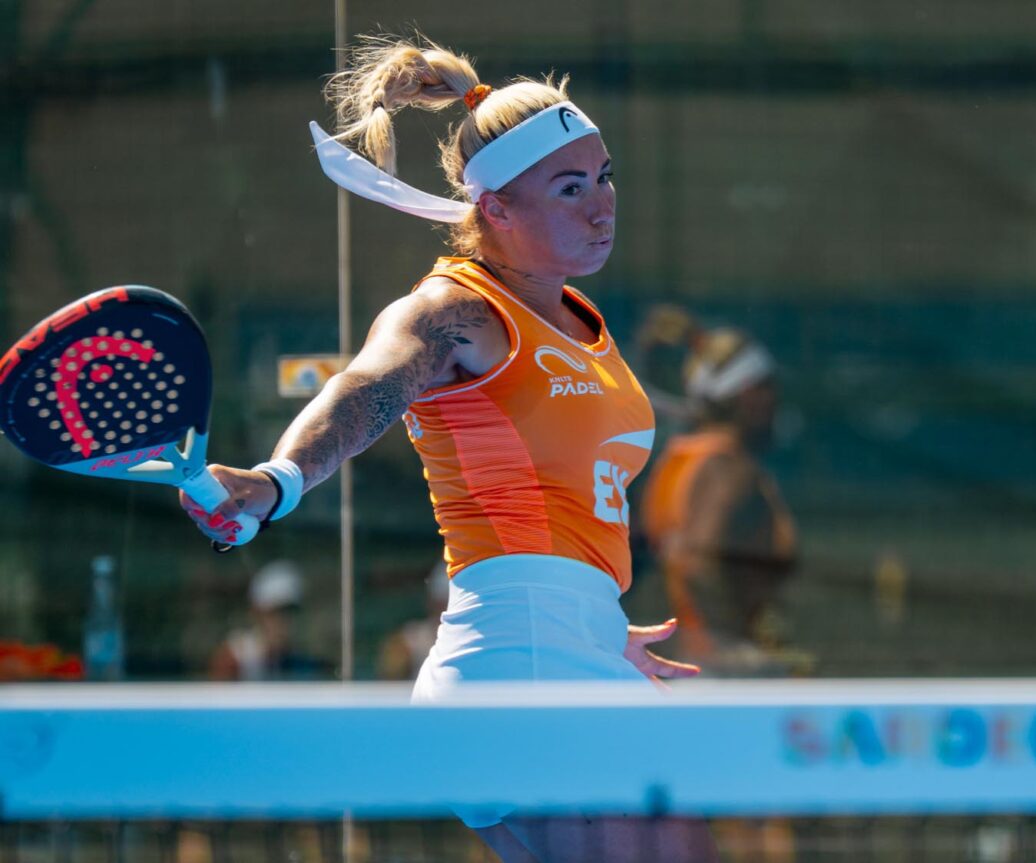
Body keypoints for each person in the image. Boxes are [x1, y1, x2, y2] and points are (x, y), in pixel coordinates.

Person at [179, 34, 715, 862]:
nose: (602, 206)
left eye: (604, 177)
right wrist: (278, 478)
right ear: (495, 209)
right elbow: (367, 388)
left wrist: (592, 622)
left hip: (556, 644)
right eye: (569, 188)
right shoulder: (453, 311)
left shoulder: (577, 320)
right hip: (521, 658)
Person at [641, 328, 800, 676]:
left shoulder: (678, 459)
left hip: (684, 661)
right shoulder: (727, 468)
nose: (775, 400)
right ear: (747, 393)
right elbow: (696, 562)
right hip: (715, 669)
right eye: (767, 387)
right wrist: (731, 649)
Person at [209, 560, 328, 681]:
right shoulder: (234, 658)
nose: (284, 621)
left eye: (290, 612)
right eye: (275, 612)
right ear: (256, 614)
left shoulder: (299, 662)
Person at [375, 560, 449, 680]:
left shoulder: (475, 640)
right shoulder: (408, 640)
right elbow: (388, 682)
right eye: (442, 603)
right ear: (431, 603)